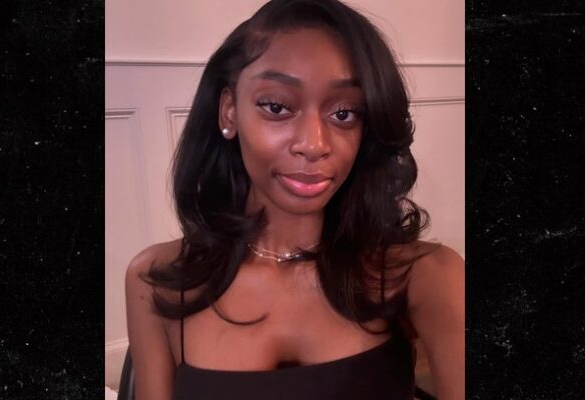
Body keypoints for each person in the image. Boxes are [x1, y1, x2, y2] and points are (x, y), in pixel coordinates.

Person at [125, 0, 464, 399]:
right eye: (277, 107)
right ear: (229, 111)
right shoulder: (157, 281)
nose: (314, 145)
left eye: (344, 113)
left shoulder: (426, 277)